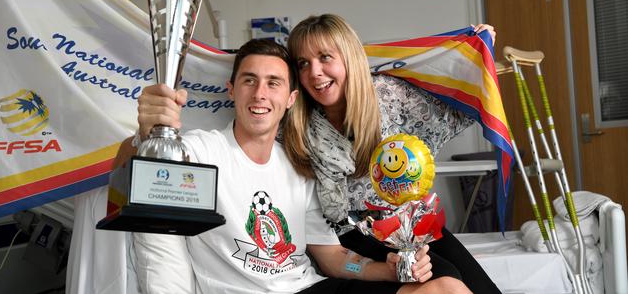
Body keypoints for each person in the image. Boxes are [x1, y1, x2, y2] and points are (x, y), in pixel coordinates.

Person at [132, 39, 472, 294]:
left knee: (447, 289)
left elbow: (334, 258)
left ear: (291, 99)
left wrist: (388, 270)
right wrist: (148, 133)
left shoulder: (299, 167)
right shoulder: (201, 151)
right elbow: (132, 174)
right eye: (249, 81)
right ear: (232, 90)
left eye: (273, 83)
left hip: (307, 288)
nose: (260, 94)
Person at [281, 14, 501, 293]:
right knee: (447, 281)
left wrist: (478, 54)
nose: (315, 72)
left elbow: (458, 107)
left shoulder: (388, 95)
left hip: (409, 221)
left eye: (325, 57)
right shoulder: (296, 127)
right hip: (350, 237)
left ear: (349, 58)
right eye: (303, 63)